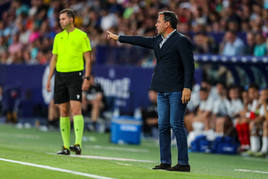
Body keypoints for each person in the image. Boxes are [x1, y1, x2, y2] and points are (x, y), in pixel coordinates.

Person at [107, 11, 194, 172]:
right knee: (162, 126)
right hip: (161, 89)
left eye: (159, 22)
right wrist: (119, 37)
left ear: (167, 24)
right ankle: (165, 161)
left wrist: (187, 87)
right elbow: (140, 40)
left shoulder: (181, 41)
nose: (156, 24)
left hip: (176, 89)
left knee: (176, 124)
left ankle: (183, 163)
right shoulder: (158, 40)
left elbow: (189, 66)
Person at [46, 9, 92, 155]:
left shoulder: (82, 36)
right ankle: (66, 147)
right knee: (63, 110)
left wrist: (87, 77)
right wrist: (49, 78)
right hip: (60, 76)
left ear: (71, 20)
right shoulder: (58, 37)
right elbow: (54, 59)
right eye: (60, 19)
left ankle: (77, 144)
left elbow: (88, 59)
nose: (61, 21)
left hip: (75, 75)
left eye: (64, 19)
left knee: (76, 109)